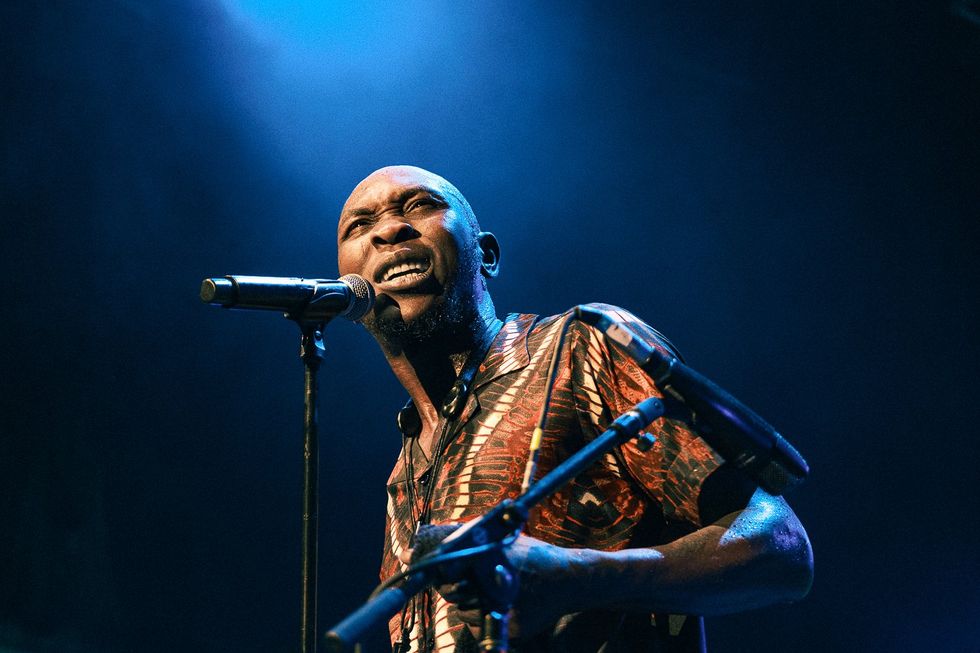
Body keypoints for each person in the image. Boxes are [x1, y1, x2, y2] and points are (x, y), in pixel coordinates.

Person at [336, 165, 813, 653]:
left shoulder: (581, 348)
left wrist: (578, 577)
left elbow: (781, 549)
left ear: (487, 255)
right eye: (360, 224)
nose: (390, 229)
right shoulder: (406, 466)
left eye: (419, 206)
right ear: (348, 292)